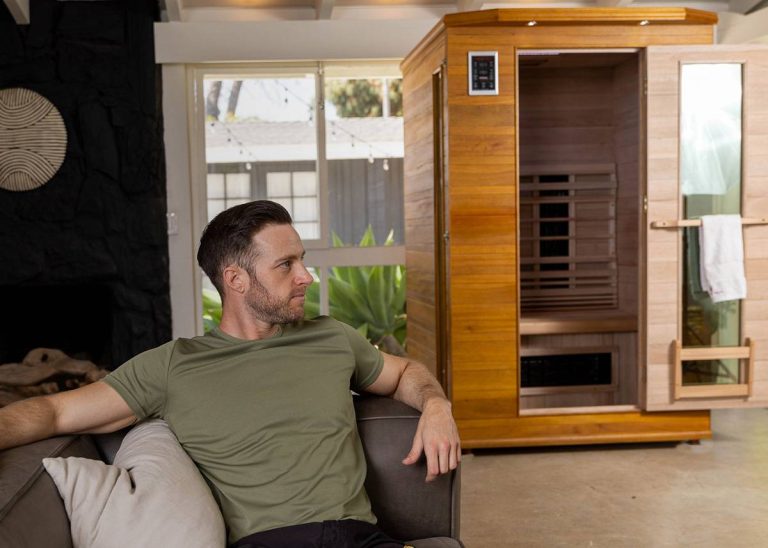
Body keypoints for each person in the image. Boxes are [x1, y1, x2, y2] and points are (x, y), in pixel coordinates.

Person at [0, 200, 461, 548]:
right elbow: (53, 413)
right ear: (236, 280)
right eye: (286, 264)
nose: (306, 277)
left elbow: (404, 375)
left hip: (362, 538)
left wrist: (436, 404)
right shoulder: (173, 365)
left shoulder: (332, 337)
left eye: (301, 259)